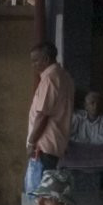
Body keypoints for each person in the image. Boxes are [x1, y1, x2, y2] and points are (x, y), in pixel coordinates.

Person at [27, 42, 75, 178]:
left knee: (43, 192)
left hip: (44, 146)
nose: (33, 65)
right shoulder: (66, 77)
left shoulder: (50, 79)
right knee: (50, 190)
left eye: (35, 61)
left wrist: (31, 142)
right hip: (56, 143)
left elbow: (42, 115)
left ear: (46, 59)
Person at [70, 89, 103, 194]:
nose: (95, 106)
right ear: (85, 106)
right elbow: (66, 137)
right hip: (79, 153)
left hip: (101, 153)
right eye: (92, 103)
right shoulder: (77, 117)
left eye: (98, 103)